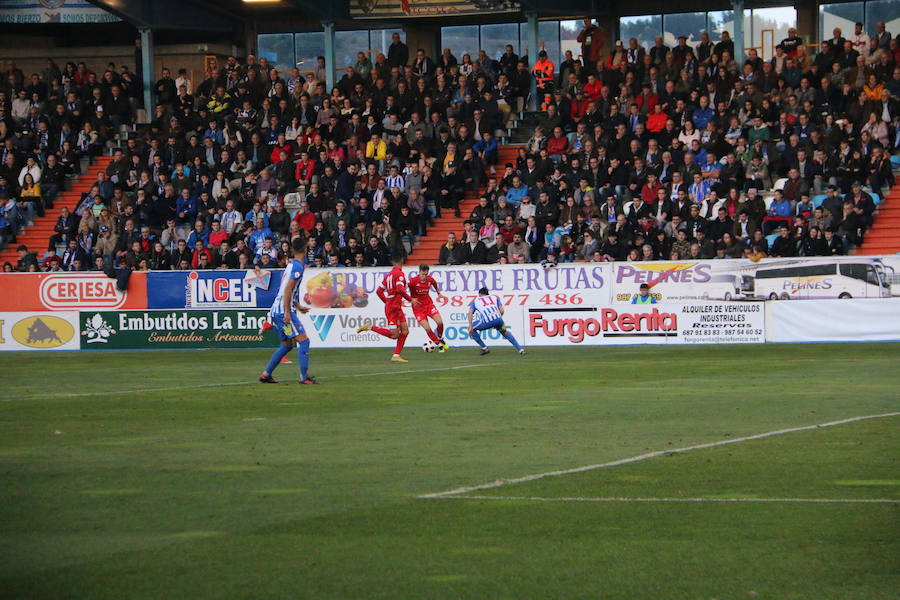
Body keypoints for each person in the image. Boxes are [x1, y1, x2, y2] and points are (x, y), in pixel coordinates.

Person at [259, 237, 316, 385]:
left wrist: (297, 306)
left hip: (276, 309)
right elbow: (288, 288)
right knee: (304, 341)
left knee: (286, 344)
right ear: (305, 249)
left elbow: (286, 289)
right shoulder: (298, 266)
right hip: (283, 310)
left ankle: (266, 374)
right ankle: (304, 377)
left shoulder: (291, 265)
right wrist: (287, 312)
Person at [356, 256, 417, 363]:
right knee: (394, 335)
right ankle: (371, 327)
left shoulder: (388, 275)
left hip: (395, 306)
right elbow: (400, 289)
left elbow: (379, 291)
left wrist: (387, 301)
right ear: (402, 261)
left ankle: (396, 355)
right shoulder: (399, 274)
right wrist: (410, 299)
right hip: (393, 308)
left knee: (405, 331)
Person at [467, 286, 526, 356]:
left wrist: (470, 325)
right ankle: (520, 349)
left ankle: (484, 348)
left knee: (471, 329)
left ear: (479, 294)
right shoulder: (495, 298)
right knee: (505, 332)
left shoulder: (476, 301)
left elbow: (470, 313)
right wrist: (496, 321)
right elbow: (502, 311)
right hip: (499, 320)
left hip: (487, 321)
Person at [408, 264, 448, 352]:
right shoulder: (412, 281)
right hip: (418, 308)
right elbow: (403, 289)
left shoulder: (430, 279)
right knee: (427, 328)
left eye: (426, 274)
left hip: (429, 305)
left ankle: (439, 338)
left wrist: (439, 293)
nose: (424, 276)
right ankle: (438, 343)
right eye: (422, 274)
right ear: (419, 273)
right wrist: (410, 299)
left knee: (440, 322)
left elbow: (434, 283)